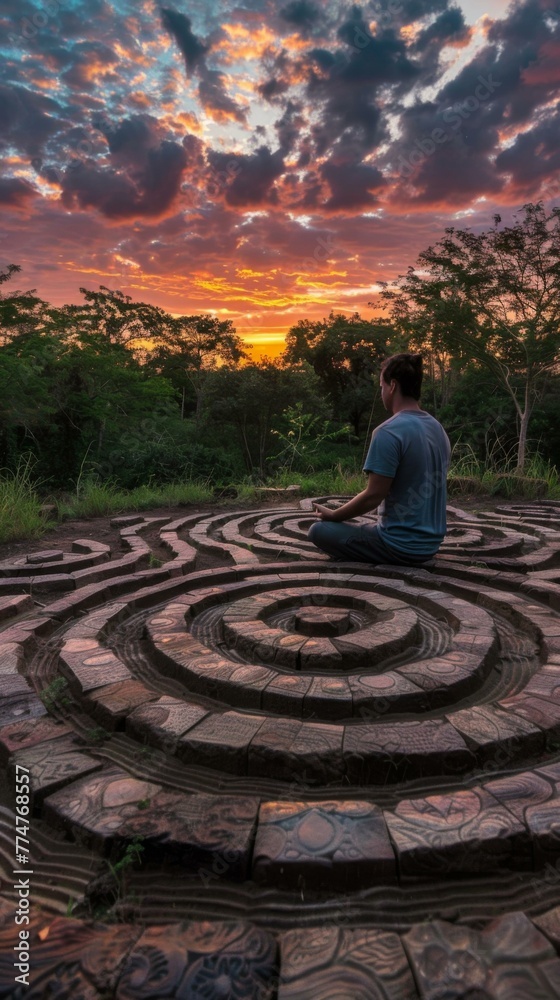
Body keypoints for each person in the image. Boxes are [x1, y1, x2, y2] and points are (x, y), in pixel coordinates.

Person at [308, 352, 451, 565]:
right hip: (431, 545)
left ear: (392, 386)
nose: (381, 391)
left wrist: (334, 515)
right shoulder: (438, 429)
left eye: (381, 386)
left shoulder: (388, 431)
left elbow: (373, 496)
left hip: (398, 546)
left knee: (319, 530)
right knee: (364, 528)